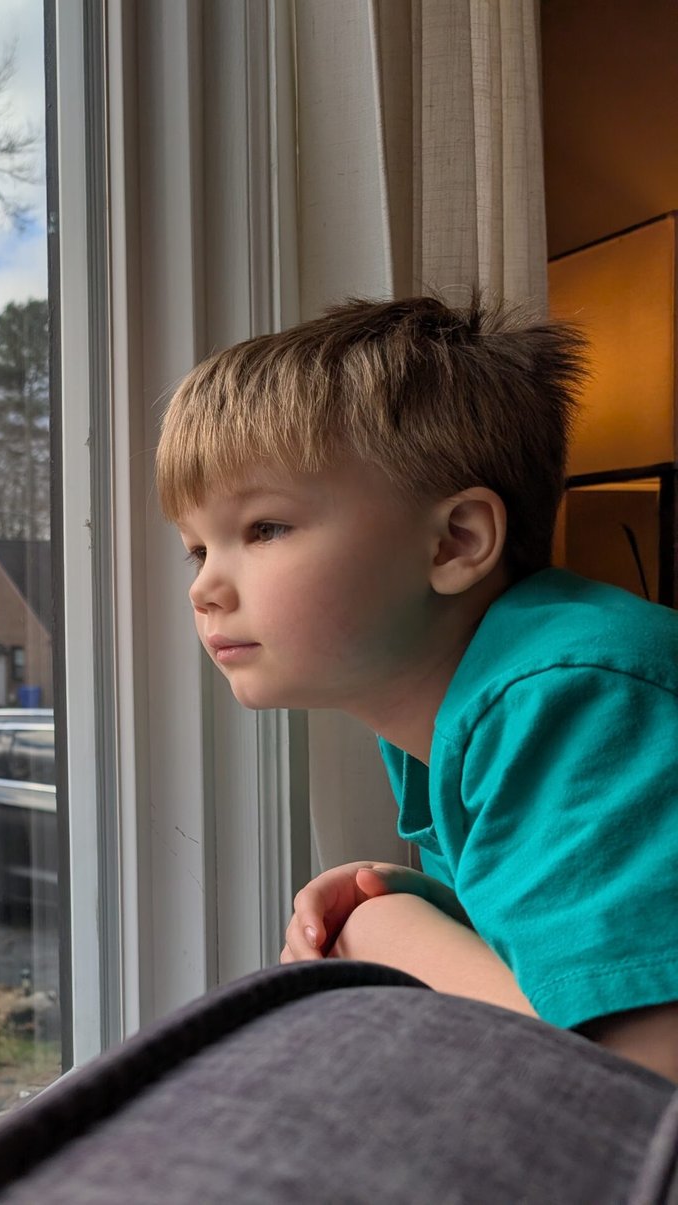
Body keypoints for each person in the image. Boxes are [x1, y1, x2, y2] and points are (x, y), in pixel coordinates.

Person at [155, 295, 678, 1081]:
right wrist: (434, 903)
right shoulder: (452, 710)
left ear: (456, 542)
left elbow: (630, 1086)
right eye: (197, 549)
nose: (203, 589)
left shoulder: (573, 697)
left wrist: (387, 928)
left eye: (264, 528)